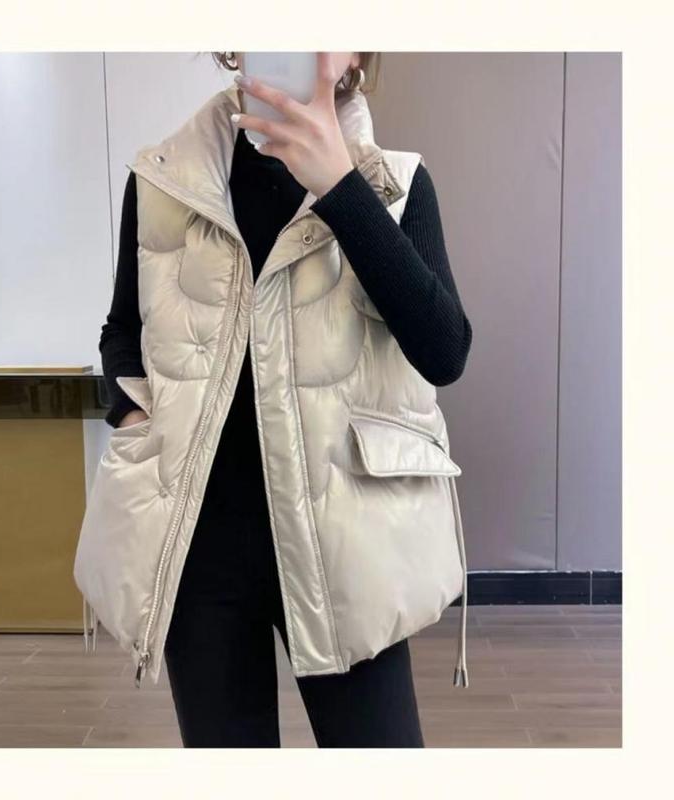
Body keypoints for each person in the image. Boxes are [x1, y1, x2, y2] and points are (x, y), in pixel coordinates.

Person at [95, 52, 472, 748]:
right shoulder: (162, 180)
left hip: (348, 545)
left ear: (357, 49)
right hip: (198, 545)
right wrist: (136, 415)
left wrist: (340, 188)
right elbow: (122, 332)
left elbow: (445, 351)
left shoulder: (397, 183)